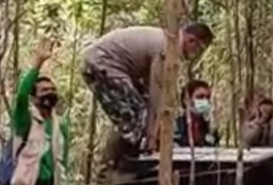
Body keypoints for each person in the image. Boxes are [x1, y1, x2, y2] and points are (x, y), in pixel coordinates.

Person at [81, 23, 213, 157]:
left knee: (136, 110)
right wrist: (152, 137)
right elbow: (156, 96)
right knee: (135, 116)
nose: (198, 54)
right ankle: (119, 164)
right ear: (191, 40)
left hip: (108, 63)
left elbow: (148, 90)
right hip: (103, 62)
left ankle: (123, 159)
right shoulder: (167, 48)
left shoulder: (165, 41)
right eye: (199, 48)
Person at [7, 40, 70, 185]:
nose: (50, 93)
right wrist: (38, 63)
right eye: (44, 91)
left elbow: (62, 161)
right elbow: (21, 97)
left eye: (52, 90)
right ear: (34, 98)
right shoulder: (26, 120)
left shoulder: (61, 125)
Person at [174, 79, 220, 147]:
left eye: (207, 97)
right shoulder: (176, 126)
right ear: (186, 100)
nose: (204, 101)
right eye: (200, 97)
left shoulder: (209, 128)